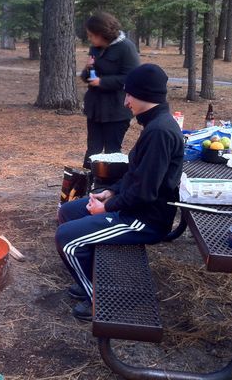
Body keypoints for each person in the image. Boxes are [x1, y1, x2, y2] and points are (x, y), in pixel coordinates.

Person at [55, 64, 184, 321]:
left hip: (144, 220)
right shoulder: (154, 125)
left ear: (145, 95)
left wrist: (107, 208)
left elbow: (144, 193)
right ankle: (92, 280)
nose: (125, 102)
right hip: (133, 206)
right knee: (68, 212)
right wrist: (110, 193)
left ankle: (103, 299)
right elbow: (136, 175)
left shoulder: (160, 132)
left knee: (67, 239)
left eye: (129, 95)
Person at [80, 12, 140, 168]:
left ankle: (111, 182)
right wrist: (88, 69)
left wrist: (102, 82)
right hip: (95, 108)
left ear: (102, 34)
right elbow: (87, 77)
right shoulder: (96, 48)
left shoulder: (126, 48)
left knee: (112, 152)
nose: (89, 39)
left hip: (116, 109)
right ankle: (86, 180)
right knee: (92, 149)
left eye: (91, 35)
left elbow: (131, 78)